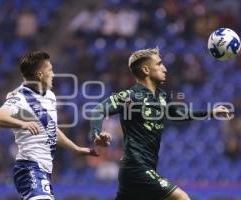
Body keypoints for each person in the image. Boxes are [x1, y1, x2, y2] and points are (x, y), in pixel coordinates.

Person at [89, 48, 231, 200]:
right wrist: (96, 134)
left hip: (141, 169)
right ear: (146, 70)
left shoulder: (161, 96)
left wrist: (211, 112)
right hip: (136, 167)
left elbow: (178, 114)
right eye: (159, 64)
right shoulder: (130, 96)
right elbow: (98, 110)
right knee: (181, 198)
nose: (165, 68)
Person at [0, 51, 98, 200]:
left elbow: (51, 129)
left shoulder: (50, 96)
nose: (53, 74)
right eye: (50, 70)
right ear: (40, 75)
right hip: (29, 168)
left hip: (44, 170)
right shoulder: (19, 97)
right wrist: (23, 123)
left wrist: (75, 148)